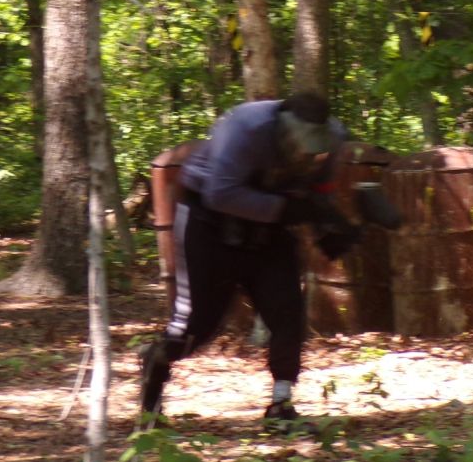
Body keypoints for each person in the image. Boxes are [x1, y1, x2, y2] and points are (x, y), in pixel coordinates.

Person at [138, 91, 361, 431]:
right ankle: (154, 378)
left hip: (269, 230)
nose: (307, 156)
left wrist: (327, 222)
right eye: (301, 148)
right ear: (283, 132)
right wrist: (290, 210)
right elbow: (221, 194)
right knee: (198, 324)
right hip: (209, 224)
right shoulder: (245, 127)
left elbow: (320, 187)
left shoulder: (334, 137)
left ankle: (281, 405)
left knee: (287, 313)